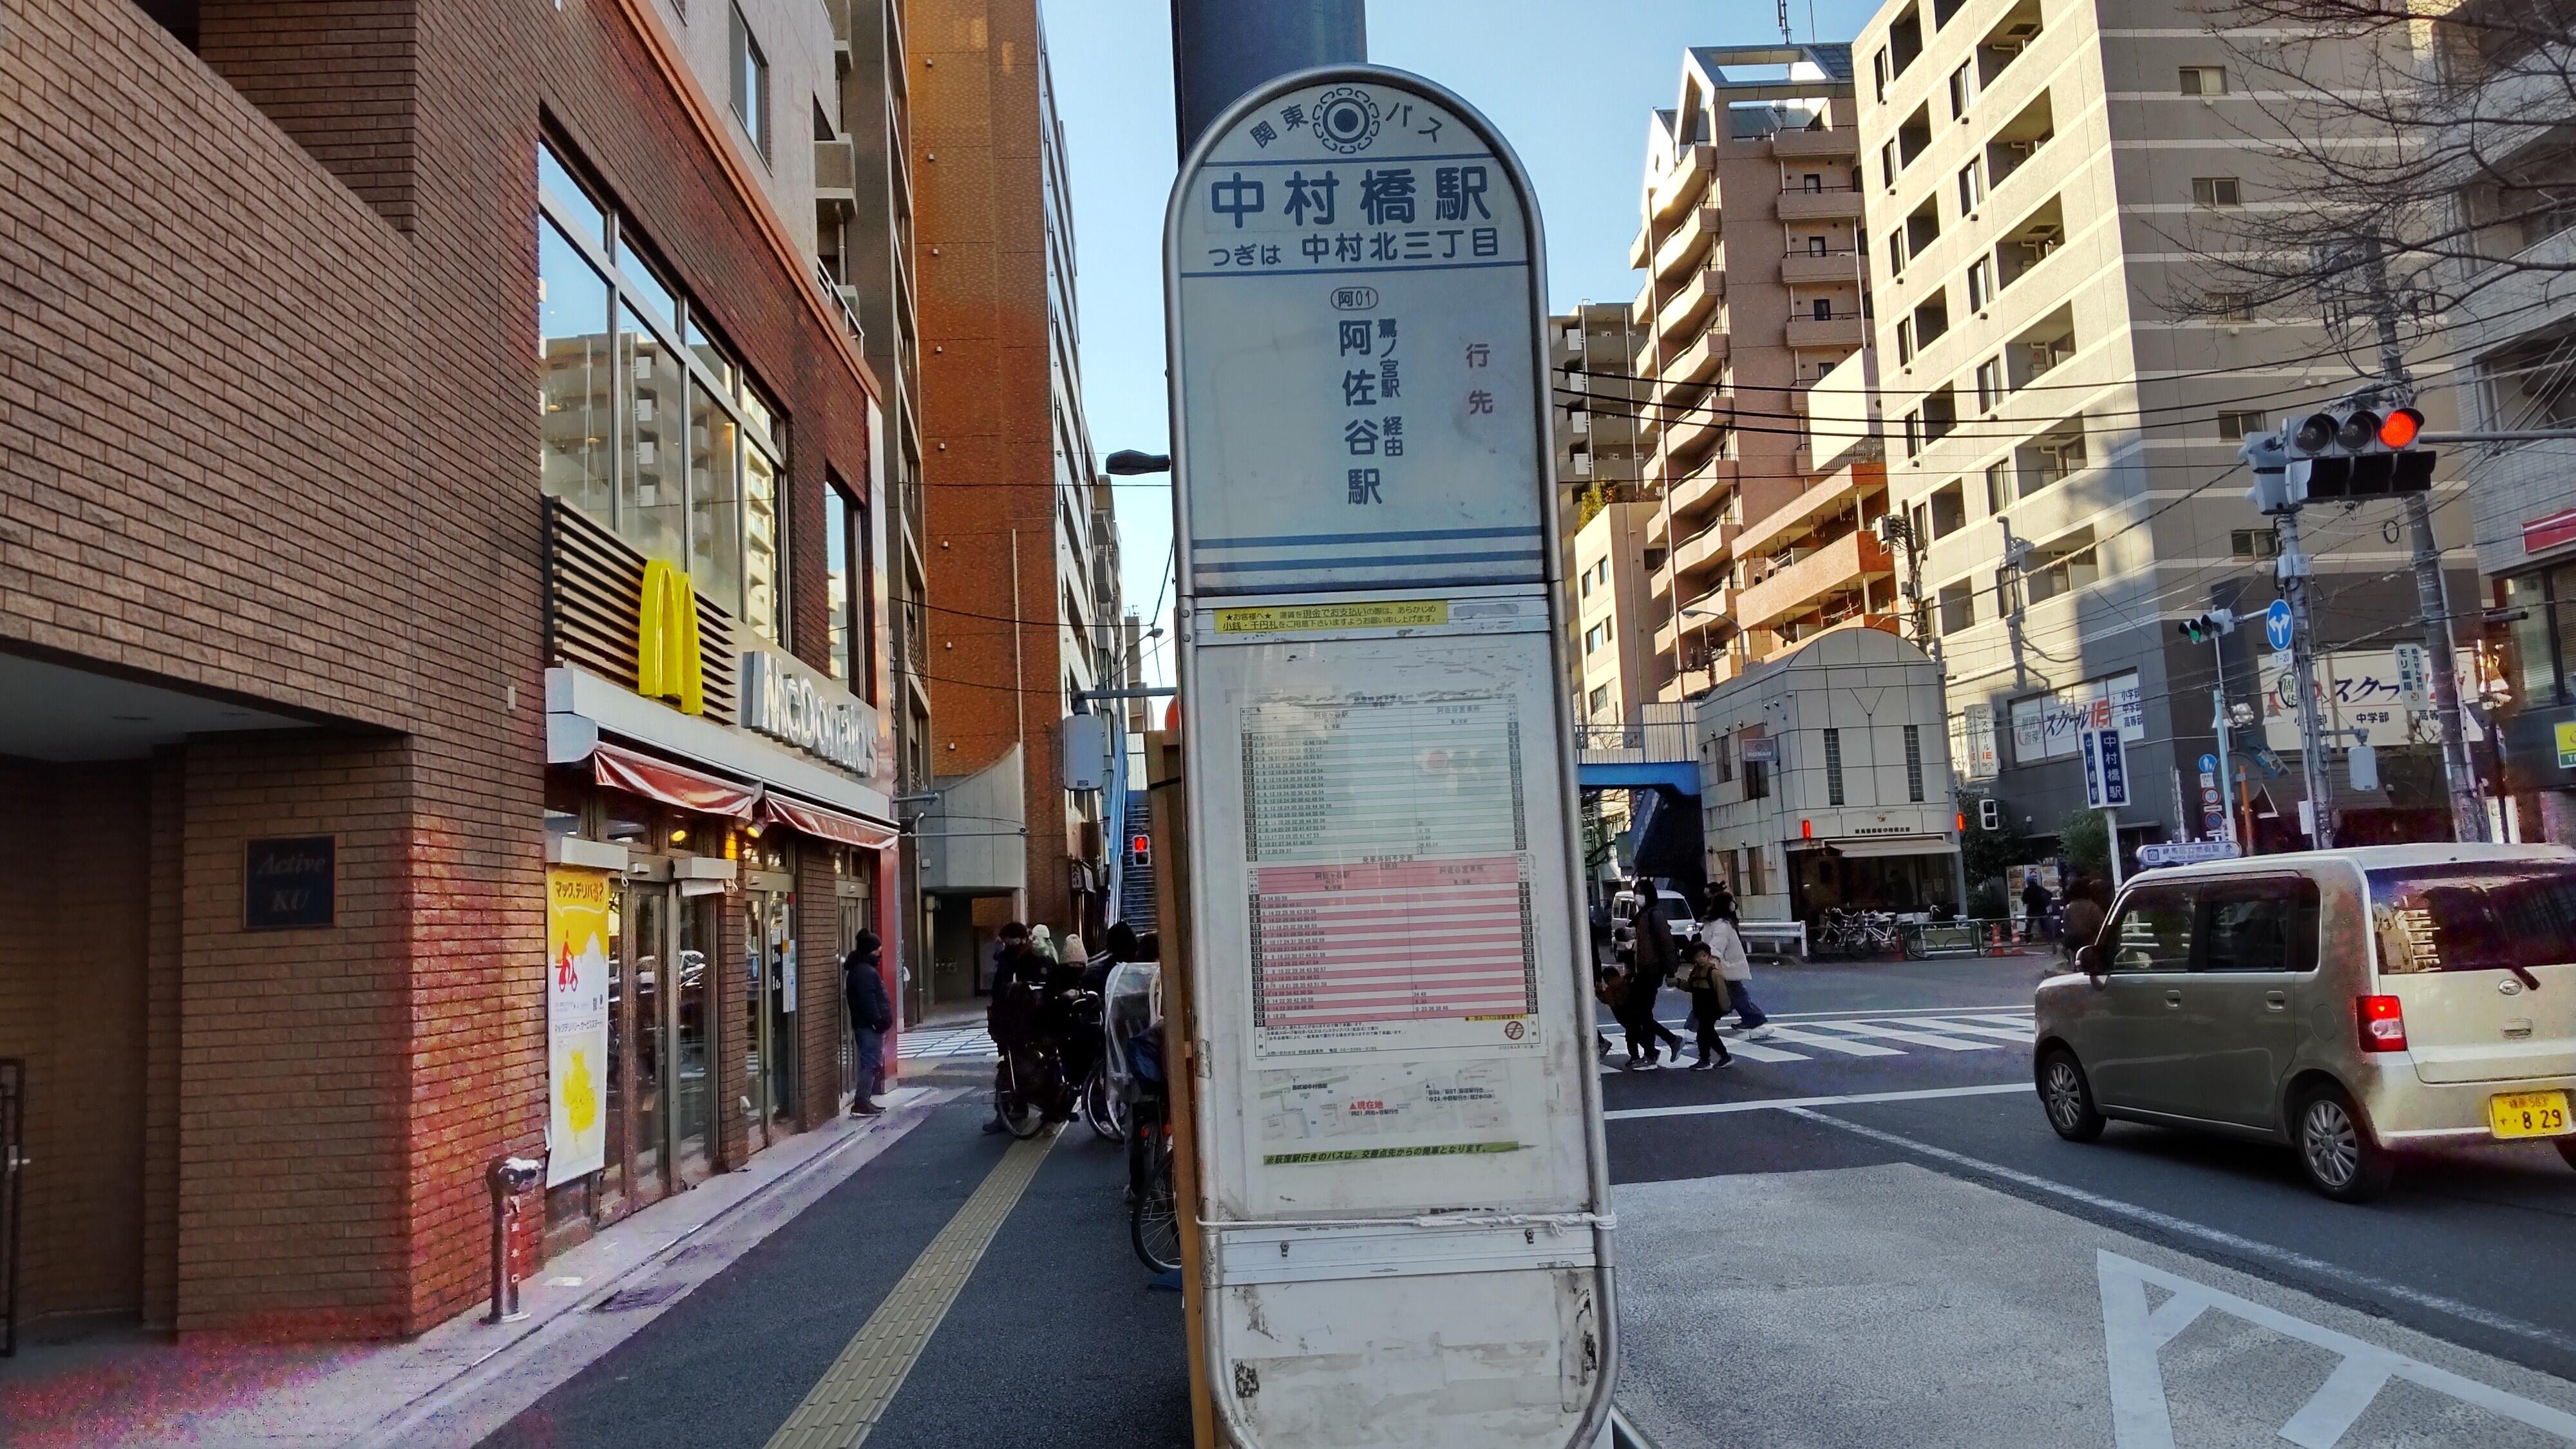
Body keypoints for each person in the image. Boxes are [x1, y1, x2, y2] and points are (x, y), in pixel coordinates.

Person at [1620, 882, 1688, 1068]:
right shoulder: (1643, 915)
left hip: (1652, 971)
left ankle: (1671, 1041)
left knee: (1640, 1014)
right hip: (1644, 971)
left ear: (1649, 894)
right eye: (1636, 893)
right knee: (1642, 1014)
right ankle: (1652, 1053)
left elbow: (1666, 945)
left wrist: (1671, 972)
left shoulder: (1654, 915)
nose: (1637, 897)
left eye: (1640, 893)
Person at [983, 922, 1043, 1133]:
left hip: (1012, 1025)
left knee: (1009, 1070)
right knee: (1020, 1064)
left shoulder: (1011, 960)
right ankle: (1019, 1106)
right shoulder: (1032, 958)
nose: (1003, 943)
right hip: (1028, 1025)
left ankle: (1007, 1112)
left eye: (1005, 939)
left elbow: (1000, 993)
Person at [842, 930, 895, 1116]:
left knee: (871, 1062)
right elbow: (868, 1000)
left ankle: (864, 1100)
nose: (880, 955)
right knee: (871, 1063)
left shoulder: (861, 970)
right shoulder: (865, 972)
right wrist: (878, 1022)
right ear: (870, 951)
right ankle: (862, 1101)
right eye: (878, 951)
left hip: (866, 1025)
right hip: (869, 1027)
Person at [1702, 900, 1773, 1038]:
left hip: (1725, 967)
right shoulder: (1723, 925)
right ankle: (1756, 1024)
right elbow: (1716, 947)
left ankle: (1754, 1023)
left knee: (1732, 997)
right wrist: (1714, 963)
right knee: (1735, 997)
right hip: (1726, 967)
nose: (1733, 905)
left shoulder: (1714, 923)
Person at [1680, 941, 1735, 1071]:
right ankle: (1722, 1057)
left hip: (1711, 1008)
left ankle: (1707, 1059)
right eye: (1698, 957)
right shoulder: (1695, 972)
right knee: (1708, 1033)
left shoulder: (1713, 973)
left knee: (1704, 1033)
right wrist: (1677, 983)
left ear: (1709, 956)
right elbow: (1689, 986)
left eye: (1704, 956)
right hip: (1700, 1008)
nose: (1701, 959)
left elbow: (1722, 992)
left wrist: (1725, 1008)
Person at [2062, 875, 2107, 963]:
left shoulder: (2069, 907)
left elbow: (2066, 926)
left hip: (2072, 943)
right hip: (2089, 942)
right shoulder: (2092, 906)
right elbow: (2101, 925)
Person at [2021, 874, 2052, 943]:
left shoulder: (2027, 890)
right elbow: (2050, 894)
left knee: (2029, 925)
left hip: (2032, 910)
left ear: (2027, 882)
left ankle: (2028, 940)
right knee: (2045, 925)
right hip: (2042, 909)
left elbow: (2024, 900)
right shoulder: (2040, 889)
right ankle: (2049, 940)